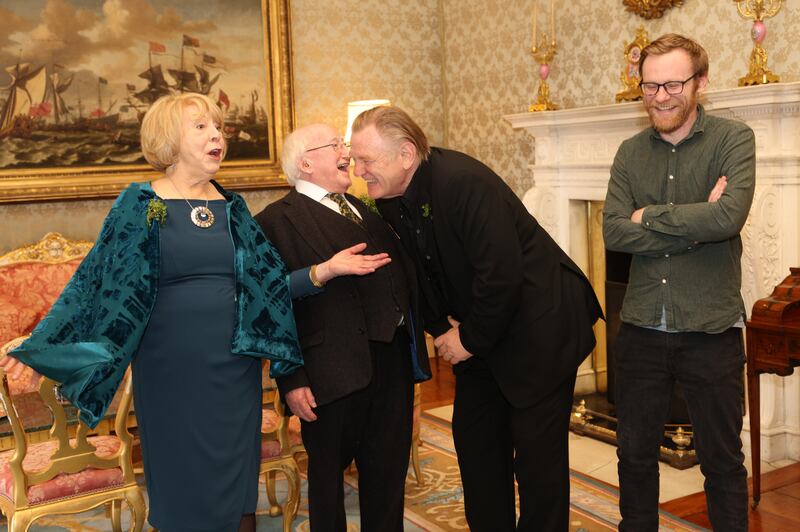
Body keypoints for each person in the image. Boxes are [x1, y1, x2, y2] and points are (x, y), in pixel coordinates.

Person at [0, 93, 380, 532]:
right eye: (200, 126)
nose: (216, 135)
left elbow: (266, 287)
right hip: (170, 375)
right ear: (169, 139)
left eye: (217, 127)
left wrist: (322, 271)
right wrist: (41, 344)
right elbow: (96, 284)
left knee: (239, 493)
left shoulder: (233, 209)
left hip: (234, 373)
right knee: (181, 486)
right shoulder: (140, 204)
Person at [349, 106, 603, 531]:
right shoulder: (389, 200)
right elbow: (416, 273)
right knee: (477, 449)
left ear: (406, 155)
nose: (359, 171)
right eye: (356, 160)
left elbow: (501, 276)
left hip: (538, 330)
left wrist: (465, 340)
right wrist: (443, 331)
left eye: (366, 160)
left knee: (538, 469)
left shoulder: (463, 184)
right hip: (482, 332)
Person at [603, 33, 755, 532]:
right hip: (643, 328)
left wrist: (649, 217)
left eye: (672, 83)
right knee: (635, 459)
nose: (660, 96)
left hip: (711, 329)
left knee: (722, 463)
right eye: (649, 86)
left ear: (701, 82)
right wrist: (696, 223)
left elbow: (728, 218)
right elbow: (613, 231)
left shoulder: (734, 140)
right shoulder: (629, 153)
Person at [255, 123, 431, 531]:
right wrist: (291, 379)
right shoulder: (273, 222)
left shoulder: (367, 206)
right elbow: (266, 305)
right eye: (334, 144)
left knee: (387, 479)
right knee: (328, 488)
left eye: (343, 144)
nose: (346, 152)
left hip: (391, 363)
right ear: (305, 162)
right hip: (326, 373)